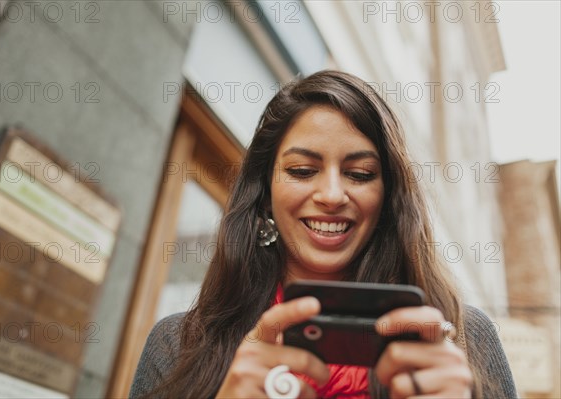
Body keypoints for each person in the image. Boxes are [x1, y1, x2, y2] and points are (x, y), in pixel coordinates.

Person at [130, 70, 517, 398]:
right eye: (301, 171)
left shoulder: (466, 340)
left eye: (360, 174)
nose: (332, 195)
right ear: (265, 196)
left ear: (387, 198)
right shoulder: (178, 344)